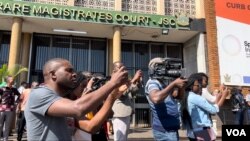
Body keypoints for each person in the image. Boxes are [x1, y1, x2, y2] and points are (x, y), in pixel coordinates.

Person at [24, 58, 128, 141]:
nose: (74, 74)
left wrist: (112, 97)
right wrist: (112, 83)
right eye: (69, 70)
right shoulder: (39, 94)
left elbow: (91, 127)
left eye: (73, 70)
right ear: (53, 75)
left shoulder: (62, 102)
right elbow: (78, 108)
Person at [145, 57, 187, 141]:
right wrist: (173, 84)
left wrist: (181, 86)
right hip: (163, 131)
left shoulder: (164, 82)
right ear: (154, 69)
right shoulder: (152, 82)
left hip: (171, 128)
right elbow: (156, 98)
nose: (166, 69)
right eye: (162, 66)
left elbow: (178, 97)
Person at [181, 73, 228, 141]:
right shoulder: (195, 97)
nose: (200, 86)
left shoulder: (186, 96)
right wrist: (223, 96)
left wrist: (220, 94)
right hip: (201, 131)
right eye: (198, 85)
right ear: (191, 85)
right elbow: (214, 110)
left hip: (192, 131)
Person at [111, 61, 142, 141]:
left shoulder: (124, 80)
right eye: (120, 67)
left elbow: (133, 90)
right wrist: (133, 79)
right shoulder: (113, 80)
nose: (123, 69)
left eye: (123, 67)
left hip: (125, 114)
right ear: (114, 71)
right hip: (119, 115)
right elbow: (121, 92)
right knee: (119, 139)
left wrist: (138, 81)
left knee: (123, 138)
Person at [0, 76, 20, 141]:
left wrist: (16, 102)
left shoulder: (14, 89)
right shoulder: (2, 88)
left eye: (13, 79)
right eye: (12, 79)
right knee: (0, 125)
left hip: (10, 110)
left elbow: (19, 95)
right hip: (2, 109)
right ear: (8, 80)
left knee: (7, 126)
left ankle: (5, 139)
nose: (13, 80)